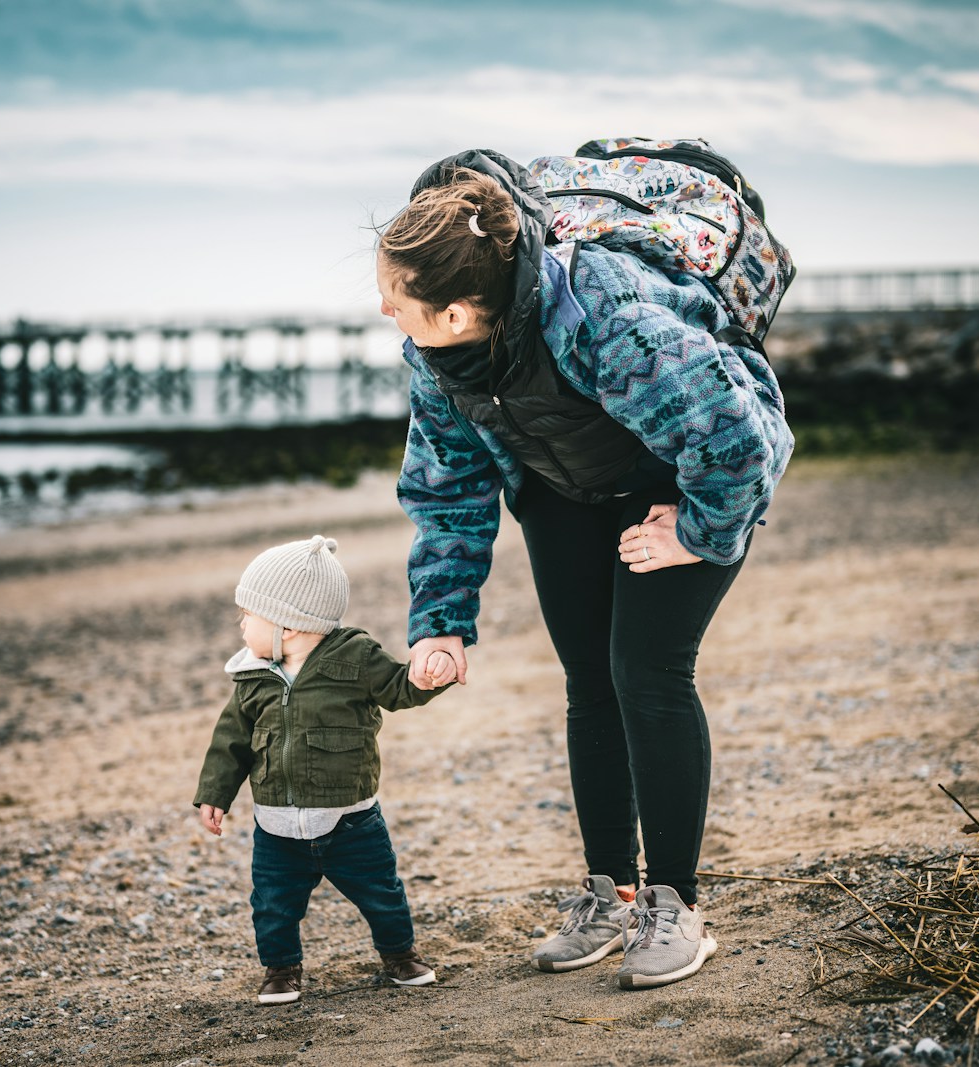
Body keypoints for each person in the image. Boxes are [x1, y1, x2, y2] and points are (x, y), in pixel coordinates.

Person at [377, 149, 794, 990]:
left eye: (396, 299)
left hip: (680, 481)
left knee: (646, 671)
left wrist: (703, 531)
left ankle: (677, 905)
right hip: (566, 482)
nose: (384, 310)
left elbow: (739, 439)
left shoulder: (604, 313)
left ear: (458, 310)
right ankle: (612, 892)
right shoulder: (435, 358)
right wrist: (442, 621)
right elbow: (447, 486)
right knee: (587, 682)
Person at [193, 535, 456, 1005]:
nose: (241, 627)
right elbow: (229, 740)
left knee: (381, 892)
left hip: (351, 820)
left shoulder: (355, 657)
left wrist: (427, 676)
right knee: (273, 905)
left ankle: (400, 955)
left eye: (247, 617)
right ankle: (280, 969)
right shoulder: (252, 675)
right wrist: (215, 793)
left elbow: (399, 689)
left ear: (288, 626)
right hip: (274, 825)